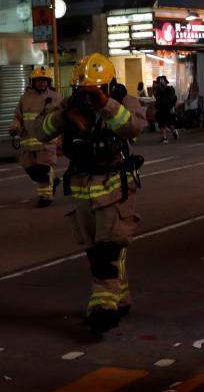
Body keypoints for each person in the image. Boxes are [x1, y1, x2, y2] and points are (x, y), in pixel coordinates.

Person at [29, 53, 145, 334]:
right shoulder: (70, 105)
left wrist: (105, 104)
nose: (88, 96)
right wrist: (64, 115)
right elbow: (39, 132)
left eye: (95, 89)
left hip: (114, 187)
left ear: (109, 85)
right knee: (95, 249)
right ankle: (120, 296)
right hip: (82, 188)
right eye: (82, 90)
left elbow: (133, 128)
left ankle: (103, 307)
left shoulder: (123, 101)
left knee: (108, 249)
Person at [8, 66, 60, 207]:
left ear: (48, 82)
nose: (42, 83)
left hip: (47, 142)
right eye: (39, 80)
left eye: (44, 80)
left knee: (43, 169)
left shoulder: (55, 97)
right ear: (32, 82)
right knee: (30, 168)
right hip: (28, 142)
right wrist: (14, 127)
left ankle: (46, 197)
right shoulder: (25, 98)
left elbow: (61, 117)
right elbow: (18, 116)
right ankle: (53, 180)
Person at [154, 76, 179, 143]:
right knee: (162, 123)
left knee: (169, 123)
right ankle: (164, 138)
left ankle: (173, 131)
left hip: (168, 109)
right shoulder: (158, 90)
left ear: (166, 82)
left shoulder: (170, 89)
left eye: (162, 81)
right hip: (160, 109)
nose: (161, 83)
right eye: (160, 82)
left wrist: (172, 107)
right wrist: (157, 88)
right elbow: (156, 96)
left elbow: (173, 98)